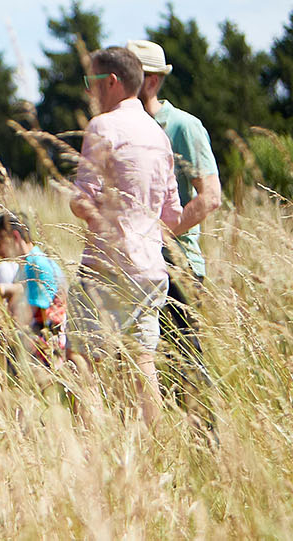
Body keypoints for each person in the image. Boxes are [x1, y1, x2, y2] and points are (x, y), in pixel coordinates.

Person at [68, 45, 181, 428]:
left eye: (91, 82)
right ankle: (155, 444)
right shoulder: (158, 133)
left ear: (111, 82)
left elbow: (84, 200)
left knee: (84, 356)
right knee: (144, 359)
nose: (89, 92)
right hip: (151, 267)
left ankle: (90, 448)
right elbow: (173, 214)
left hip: (107, 265)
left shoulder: (103, 126)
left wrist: (87, 213)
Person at [127, 37, 221, 409]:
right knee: (140, 361)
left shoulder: (183, 126)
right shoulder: (119, 128)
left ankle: (205, 447)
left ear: (151, 81)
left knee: (185, 361)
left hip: (176, 264)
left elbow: (211, 196)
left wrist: (161, 234)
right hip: (131, 264)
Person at [0, 212, 66, 359]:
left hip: (44, 347)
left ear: (16, 237)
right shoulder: (26, 266)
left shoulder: (36, 265)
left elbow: (30, 317)